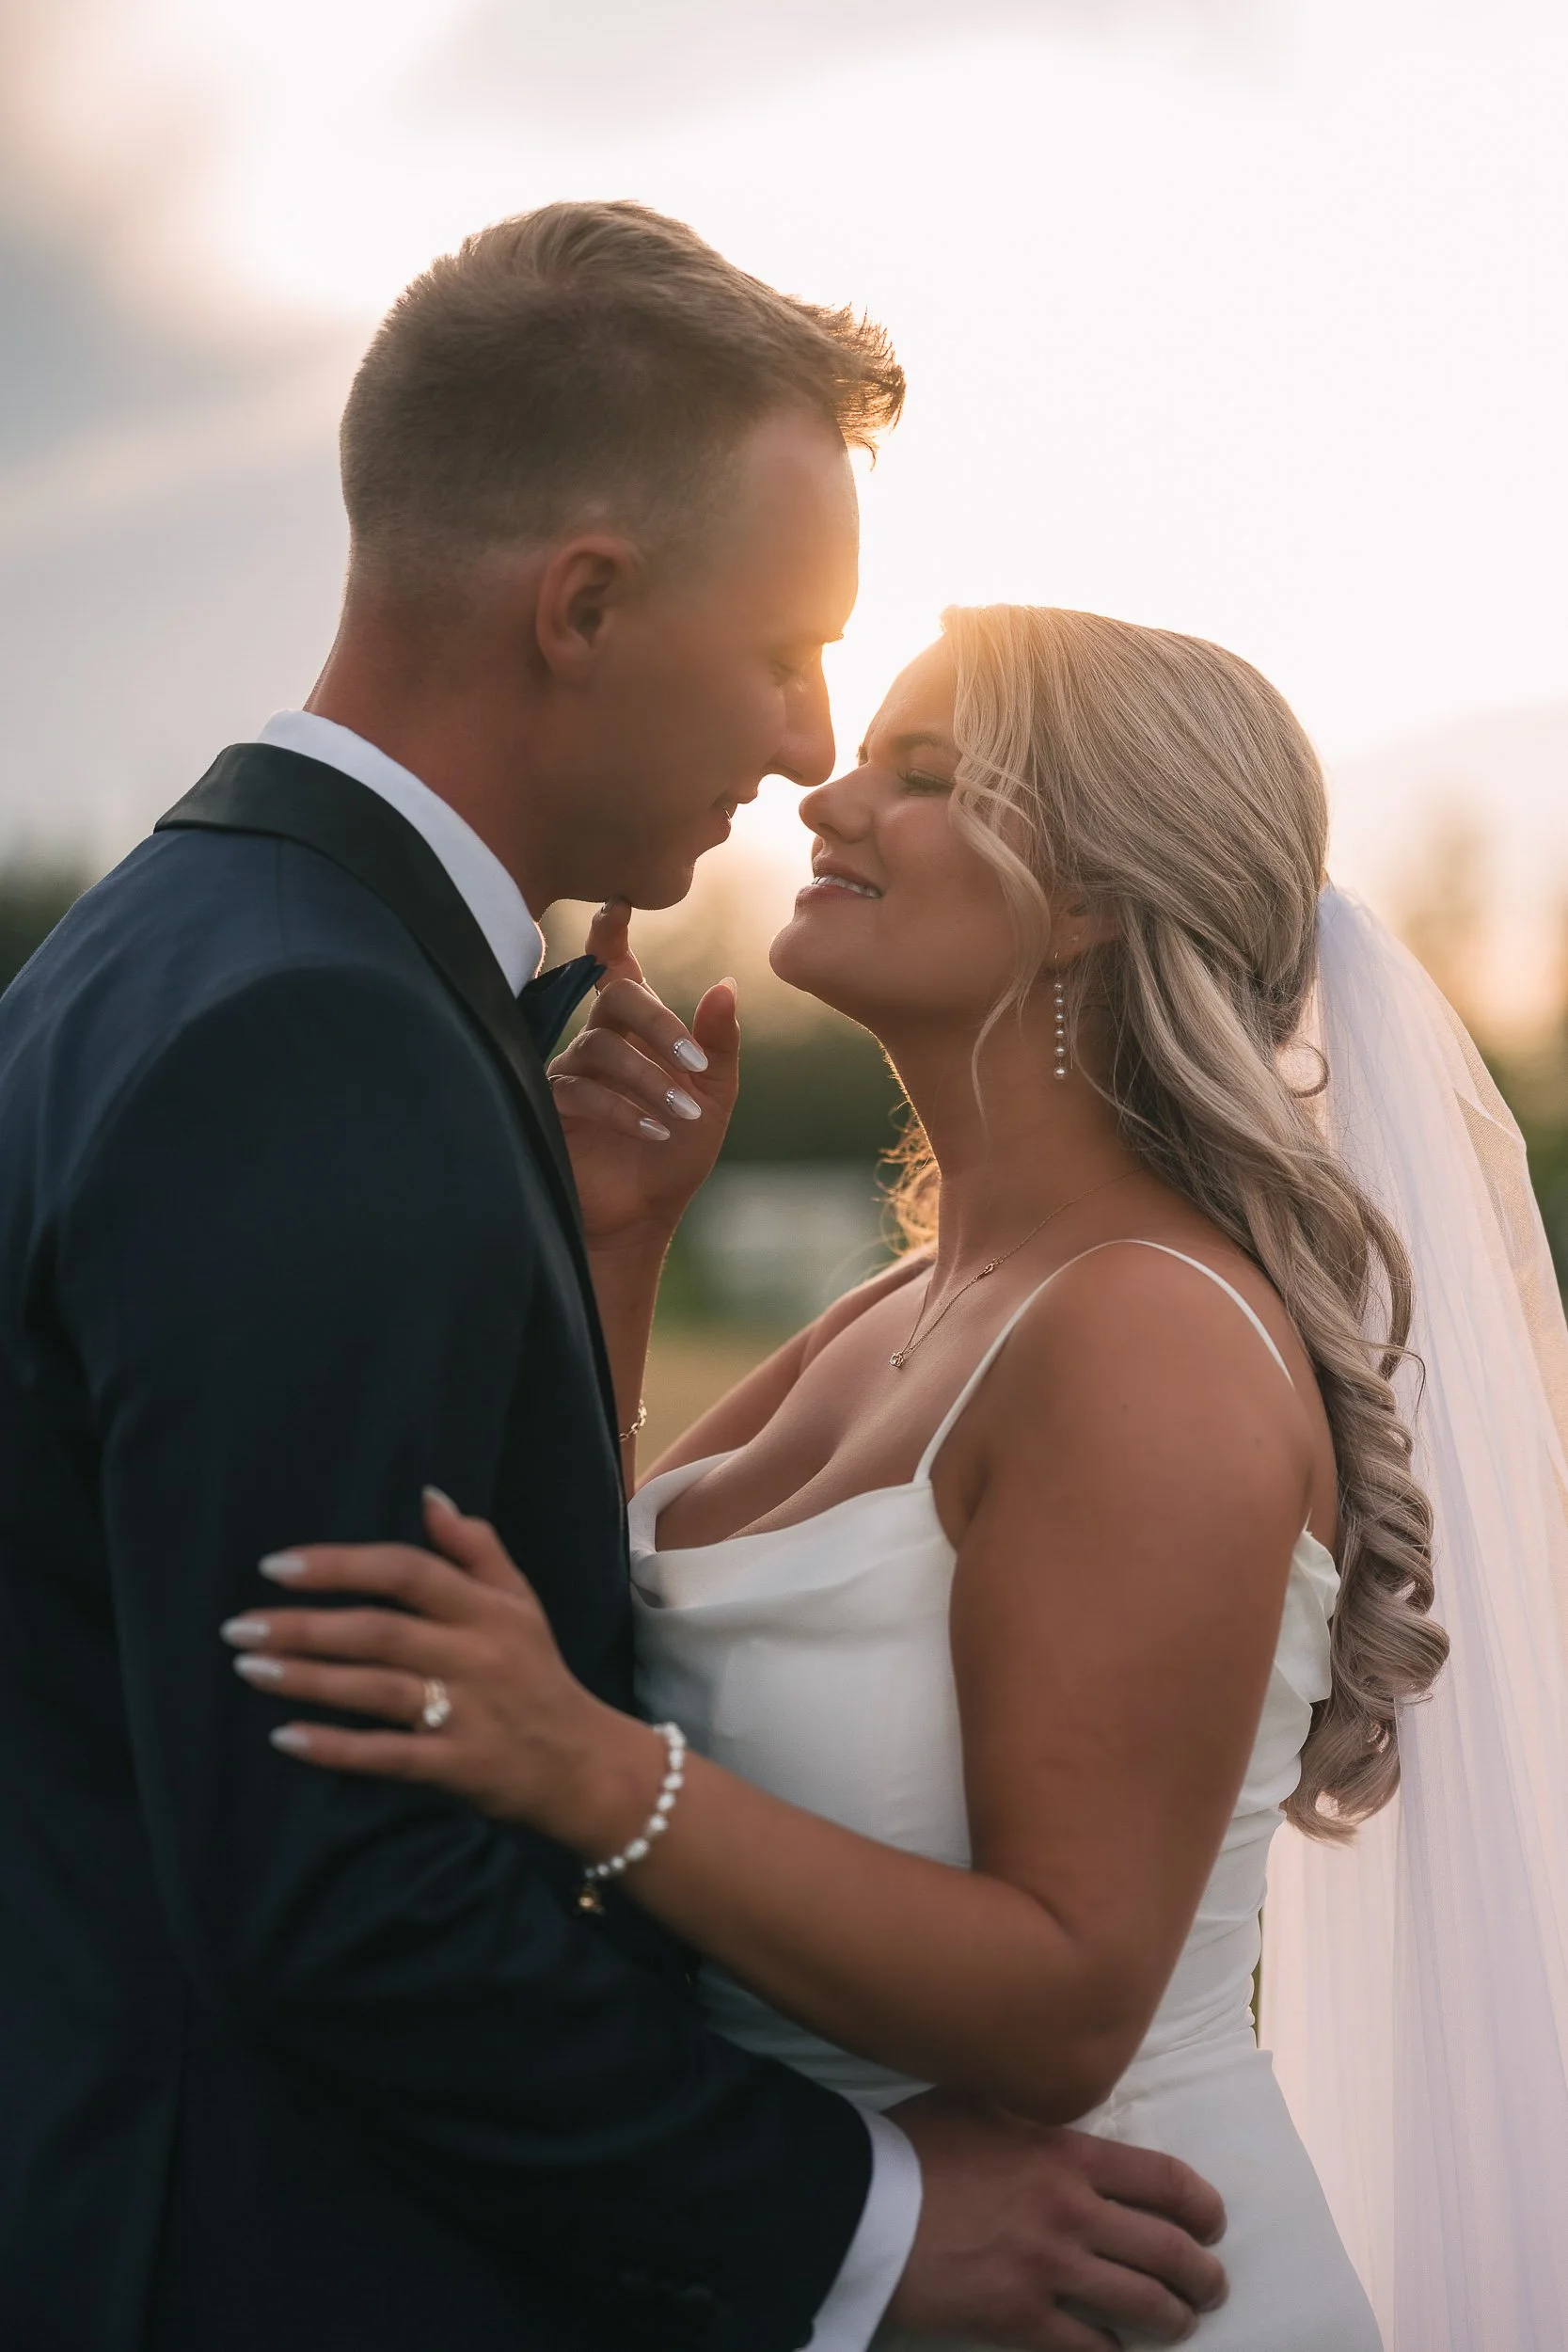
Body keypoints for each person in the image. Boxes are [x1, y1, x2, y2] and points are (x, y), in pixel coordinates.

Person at [0, 214, 1227, 2352]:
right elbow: (339, 1883)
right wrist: (854, 2222)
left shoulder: (185, 949)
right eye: (787, 650)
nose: (805, 738)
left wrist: (587, 1266)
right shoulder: (315, 1038)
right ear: (580, 605)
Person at [227, 605, 1463, 2350]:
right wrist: (616, 1248)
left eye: (924, 775)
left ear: (1097, 893)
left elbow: (1060, 2010)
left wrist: (593, 1774)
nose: (824, 795)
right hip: (852, 2281)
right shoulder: (903, 1299)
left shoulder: (1143, 1337)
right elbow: (607, 1616)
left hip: (1101, 2284)